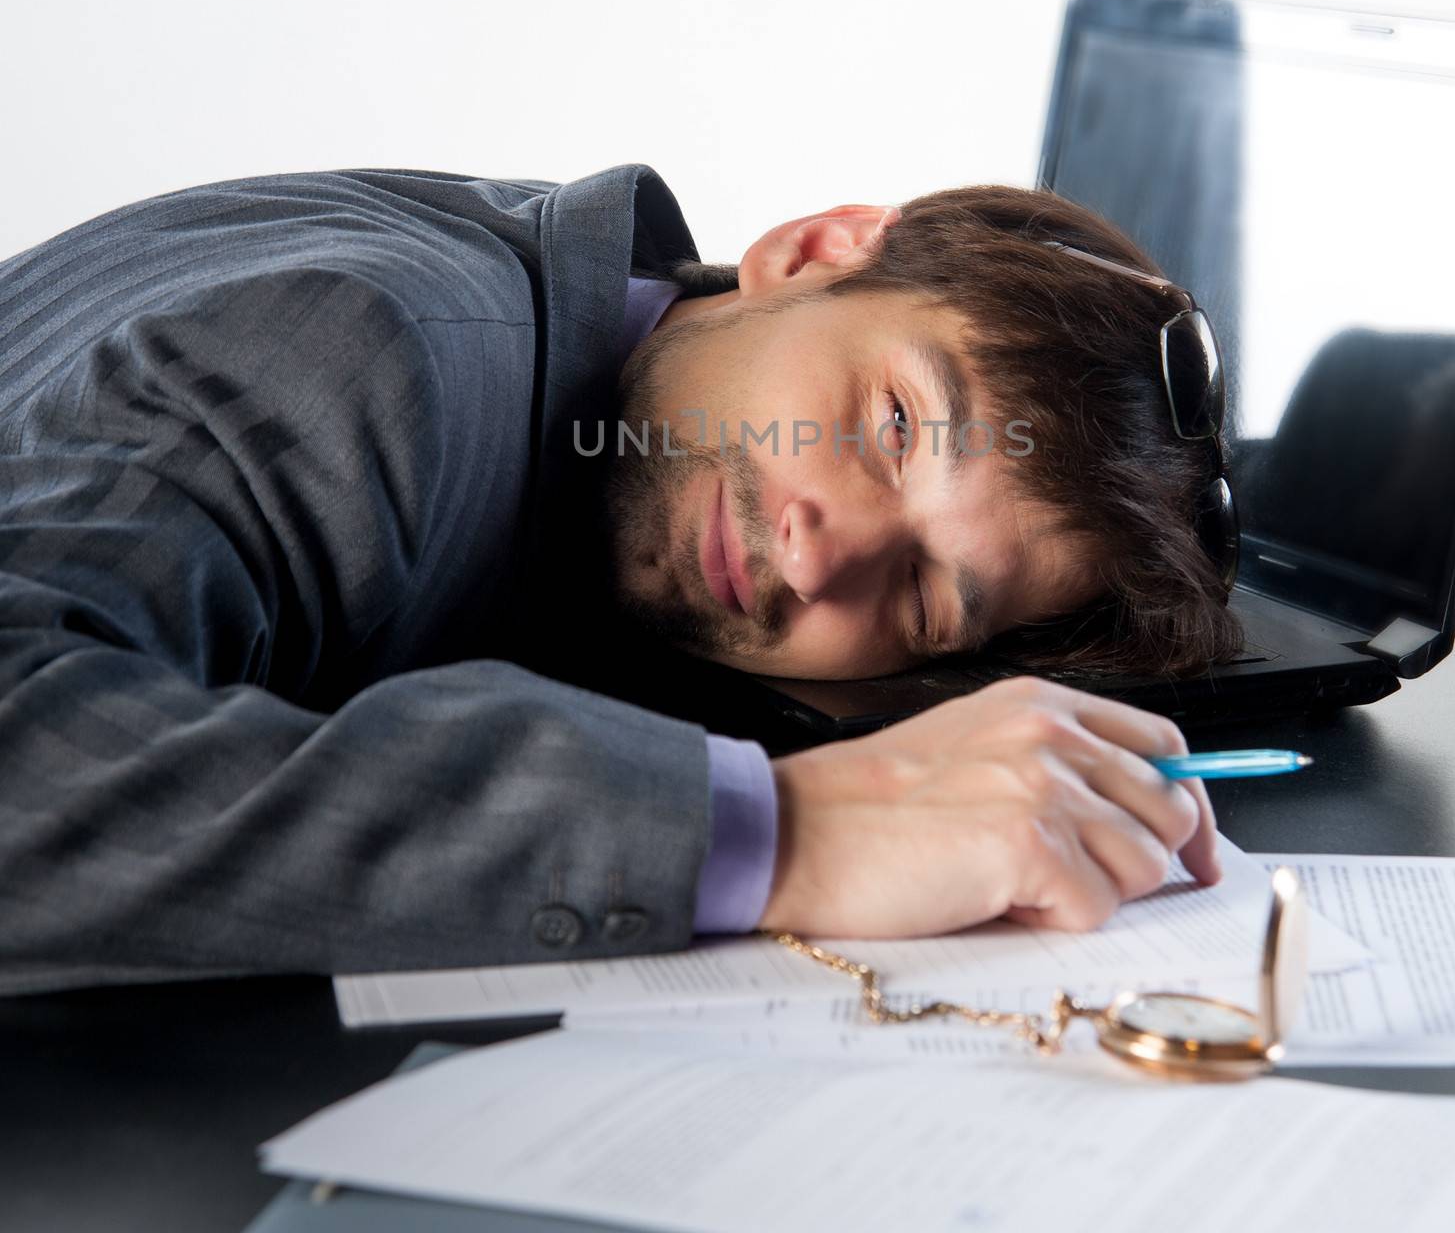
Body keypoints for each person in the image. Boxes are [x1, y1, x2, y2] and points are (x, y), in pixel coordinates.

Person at [0, 164, 1240, 994]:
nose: (821, 552)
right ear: (813, 253)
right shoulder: (368, 358)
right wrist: (788, 832)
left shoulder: (601, 369)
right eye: (896, 425)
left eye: (923, 593)